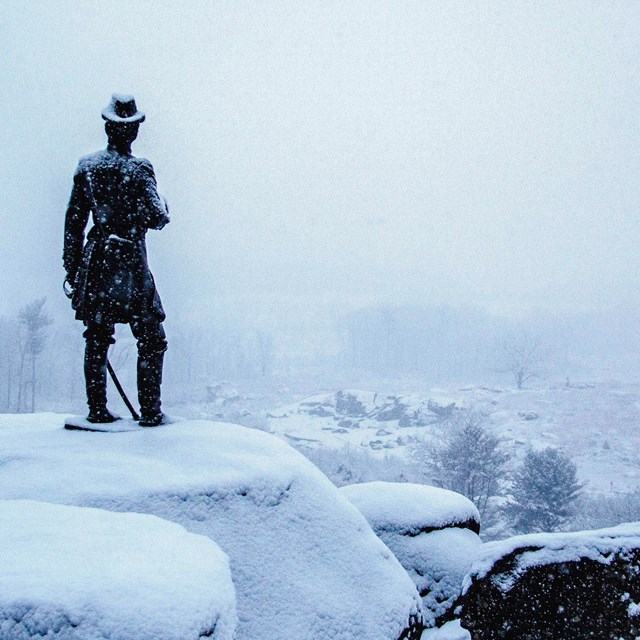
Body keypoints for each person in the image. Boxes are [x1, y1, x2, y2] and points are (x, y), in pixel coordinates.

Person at [63, 94, 170, 426]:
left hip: (97, 261)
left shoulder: (88, 167)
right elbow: (157, 216)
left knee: (97, 336)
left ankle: (97, 409)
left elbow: (74, 222)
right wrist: (161, 204)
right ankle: (150, 411)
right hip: (130, 263)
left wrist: (72, 267)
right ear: (133, 131)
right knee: (151, 337)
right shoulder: (138, 169)